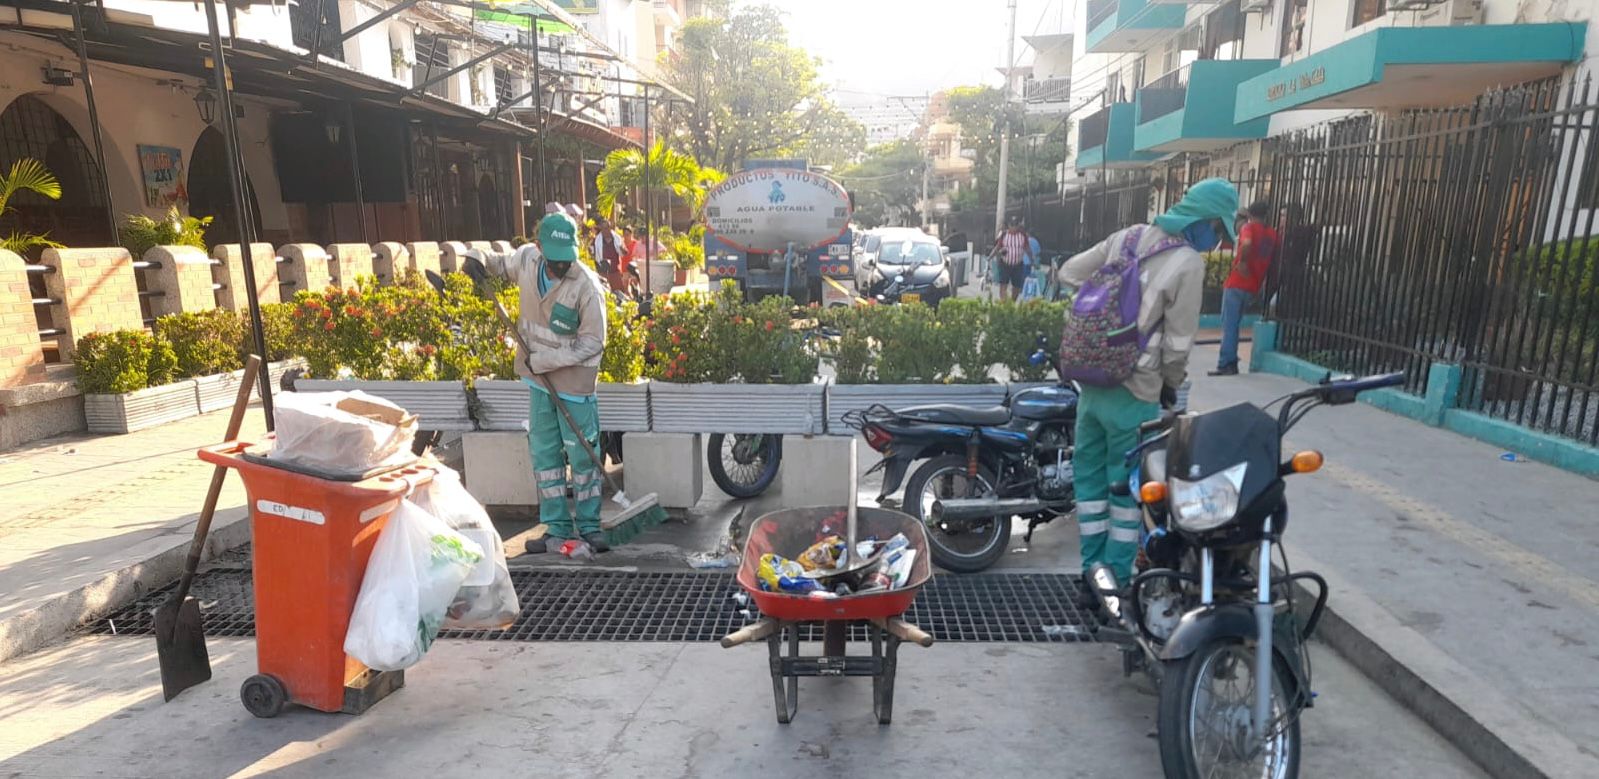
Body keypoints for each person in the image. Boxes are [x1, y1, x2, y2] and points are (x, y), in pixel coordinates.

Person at [1056, 177, 1238, 583]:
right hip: (1136, 391)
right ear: (1204, 220)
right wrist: (1171, 386)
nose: (1218, 239)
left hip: (1092, 384)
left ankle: (1090, 572)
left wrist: (1106, 306)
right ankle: (1116, 580)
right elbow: (1177, 346)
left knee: (1088, 484)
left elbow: (1070, 272)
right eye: (1219, 230)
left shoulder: (1128, 236)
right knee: (1123, 492)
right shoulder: (1189, 263)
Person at [516, 209, 610, 555]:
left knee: (583, 457)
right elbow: (501, 263)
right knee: (544, 455)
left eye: (566, 259)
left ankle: (589, 525)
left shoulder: (586, 286)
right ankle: (556, 527)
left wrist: (545, 360)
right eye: (554, 260)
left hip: (574, 385)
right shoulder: (527, 261)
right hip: (539, 384)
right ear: (539, 247)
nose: (561, 267)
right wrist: (478, 261)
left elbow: (593, 342)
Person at [1212, 200, 1278, 376]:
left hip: (1237, 282)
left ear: (1249, 214)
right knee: (1235, 323)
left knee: (1229, 324)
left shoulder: (1247, 228)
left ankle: (1227, 363)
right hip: (1254, 284)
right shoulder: (1272, 234)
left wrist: (1242, 261)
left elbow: (1247, 244)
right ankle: (1230, 360)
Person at [990, 217, 1035, 301]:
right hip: (1005, 264)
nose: (1014, 227)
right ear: (1009, 226)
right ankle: (1003, 303)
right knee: (1003, 284)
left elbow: (1027, 249)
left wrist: (1032, 260)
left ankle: (1012, 302)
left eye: (1015, 225)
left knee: (1017, 286)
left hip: (1018, 265)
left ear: (1018, 226)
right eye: (1012, 225)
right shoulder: (1004, 235)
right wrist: (991, 256)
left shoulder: (1022, 236)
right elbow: (997, 247)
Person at [592, 217, 627, 293]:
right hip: (603, 273)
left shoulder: (617, 239)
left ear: (610, 228)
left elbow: (625, 253)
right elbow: (593, 255)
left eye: (607, 228)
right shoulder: (596, 241)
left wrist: (622, 249)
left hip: (615, 272)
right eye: (603, 228)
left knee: (619, 294)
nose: (605, 230)